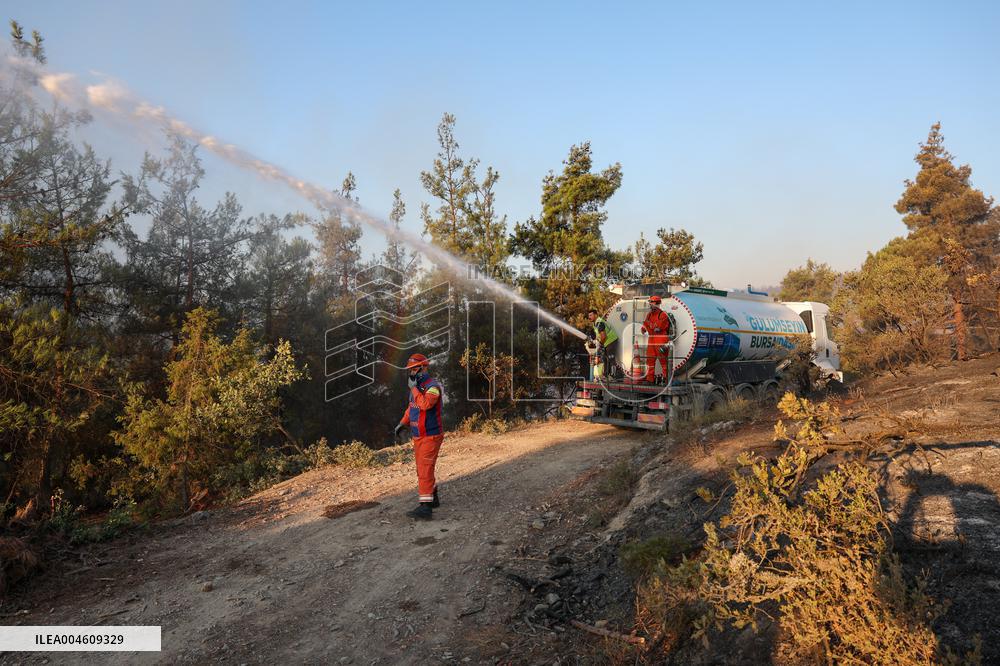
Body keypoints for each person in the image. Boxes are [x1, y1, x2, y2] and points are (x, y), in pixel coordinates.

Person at [393, 353, 444, 520]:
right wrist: (402, 423)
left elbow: (425, 404)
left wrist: (413, 388)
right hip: (418, 436)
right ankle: (433, 498)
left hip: (431, 435)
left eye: (415, 368)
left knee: (424, 469)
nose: (412, 372)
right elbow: (412, 408)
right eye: (410, 369)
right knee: (423, 469)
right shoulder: (416, 388)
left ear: (424, 367)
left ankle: (426, 508)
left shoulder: (432, 386)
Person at [641, 295, 671, 383]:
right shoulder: (649, 315)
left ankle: (666, 378)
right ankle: (650, 379)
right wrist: (644, 328)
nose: (650, 305)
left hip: (661, 338)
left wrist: (649, 325)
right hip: (652, 339)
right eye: (650, 303)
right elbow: (646, 324)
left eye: (652, 303)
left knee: (663, 359)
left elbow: (657, 327)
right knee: (650, 359)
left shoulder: (663, 314)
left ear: (657, 304)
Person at [586, 308, 619, 379]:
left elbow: (603, 336)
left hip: (611, 341)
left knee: (611, 358)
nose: (589, 317)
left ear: (596, 315)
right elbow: (599, 336)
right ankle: (606, 375)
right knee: (605, 358)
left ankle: (614, 376)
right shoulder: (596, 324)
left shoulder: (599, 323)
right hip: (607, 342)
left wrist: (600, 344)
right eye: (589, 315)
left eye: (591, 315)